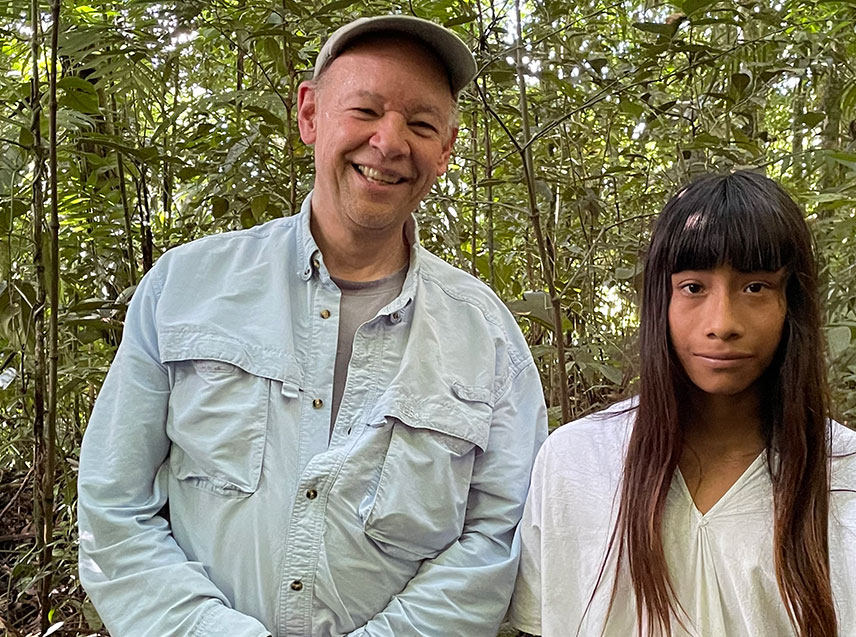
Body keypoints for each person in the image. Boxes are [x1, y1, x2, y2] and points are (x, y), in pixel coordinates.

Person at [77, 15, 548, 636]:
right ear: (309, 114)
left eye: (421, 123)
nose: (389, 141)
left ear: (446, 150)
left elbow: (499, 537)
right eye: (366, 110)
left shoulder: (485, 336)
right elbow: (114, 507)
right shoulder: (184, 288)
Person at [506, 171, 856, 636]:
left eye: (755, 287)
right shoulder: (575, 464)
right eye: (694, 287)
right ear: (662, 300)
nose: (722, 323)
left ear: (791, 303)